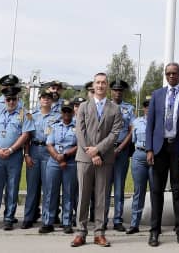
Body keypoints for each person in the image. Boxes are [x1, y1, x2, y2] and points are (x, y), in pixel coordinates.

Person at [146, 61, 179, 247]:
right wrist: (149, 149)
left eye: (175, 73)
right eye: (168, 73)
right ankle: (154, 231)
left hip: (178, 150)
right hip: (159, 149)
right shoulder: (157, 95)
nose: (171, 76)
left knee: (178, 191)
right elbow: (150, 123)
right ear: (165, 75)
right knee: (156, 191)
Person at [74, 72, 124, 247]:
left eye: (103, 83)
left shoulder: (115, 109)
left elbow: (114, 134)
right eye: (98, 83)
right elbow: (80, 132)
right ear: (93, 86)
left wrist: (99, 150)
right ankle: (80, 232)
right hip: (85, 158)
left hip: (105, 158)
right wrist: (92, 153)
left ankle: (99, 233)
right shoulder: (83, 107)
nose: (100, 86)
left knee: (102, 196)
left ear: (107, 85)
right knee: (83, 196)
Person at [0, 86, 33, 230]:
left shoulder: (25, 113)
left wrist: (11, 149)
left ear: (18, 99)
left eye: (14, 99)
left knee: (12, 188)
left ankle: (9, 218)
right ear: (4, 100)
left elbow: (25, 135)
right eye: (8, 99)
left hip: (14, 156)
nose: (11, 102)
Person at [41, 99, 79, 235]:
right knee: (51, 192)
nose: (67, 113)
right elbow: (49, 144)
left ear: (73, 113)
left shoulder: (77, 126)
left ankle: (67, 222)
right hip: (54, 161)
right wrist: (58, 157)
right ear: (61, 112)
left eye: (69, 111)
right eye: (65, 111)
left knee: (69, 193)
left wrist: (66, 155)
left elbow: (79, 145)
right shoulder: (54, 125)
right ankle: (48, 221)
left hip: (70, 162)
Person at [23, 89, 59, 228]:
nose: (46, 100)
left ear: (52, 100)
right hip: (34, 150)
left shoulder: (57, 117)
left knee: (48, 187)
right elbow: (27, 137)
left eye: (49, 98)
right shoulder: (32, 116)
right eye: (43, 97)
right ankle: (28, 217)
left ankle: (47, 219)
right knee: (32, 187)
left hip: (49, 151)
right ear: (39, 99)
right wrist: (26, 154)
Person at [110, 79, 136, 233]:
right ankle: (103, 218)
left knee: (119, 187)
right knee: (104, 187)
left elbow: (131, 130)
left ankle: (118, 220)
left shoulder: (129, 108)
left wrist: (120, 147)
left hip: (122, 150)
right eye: (115, 90)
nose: (117, 92)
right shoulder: (105, 106)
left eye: (120, 90)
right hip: (106, 151)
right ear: (111, 91)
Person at [127, 96, 152, 235]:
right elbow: (134, 140)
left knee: (155, 191)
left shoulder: (159, 122)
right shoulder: (136, 122)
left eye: (151, 105)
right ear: (143, 108)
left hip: (154, 157)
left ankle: (155, 225)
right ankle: (134, 223)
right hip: (139, 155)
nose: (148, 108)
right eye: (146, 106)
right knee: (138, 191)